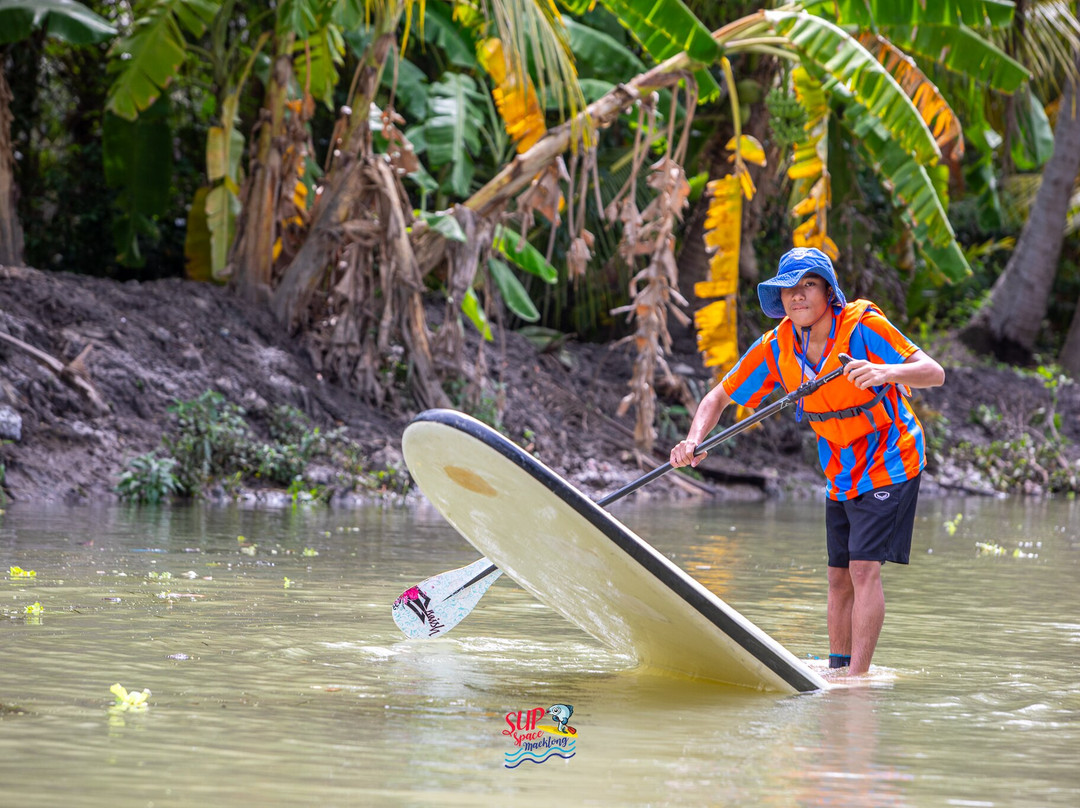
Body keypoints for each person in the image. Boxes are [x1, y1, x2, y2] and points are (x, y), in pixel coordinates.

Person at [670, 247, 944, 675]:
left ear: (828, 292)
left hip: (893, 456)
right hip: (840, 468)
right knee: (838, 575)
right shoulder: (777, 345)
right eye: (789, 290)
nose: (797, 297)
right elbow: (718, 397)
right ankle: (838, 668)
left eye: (808, 286)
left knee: (863, 567)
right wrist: (692, 440)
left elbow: (933, 371)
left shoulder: (862, 325)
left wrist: (884, 372)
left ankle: (857, 681)